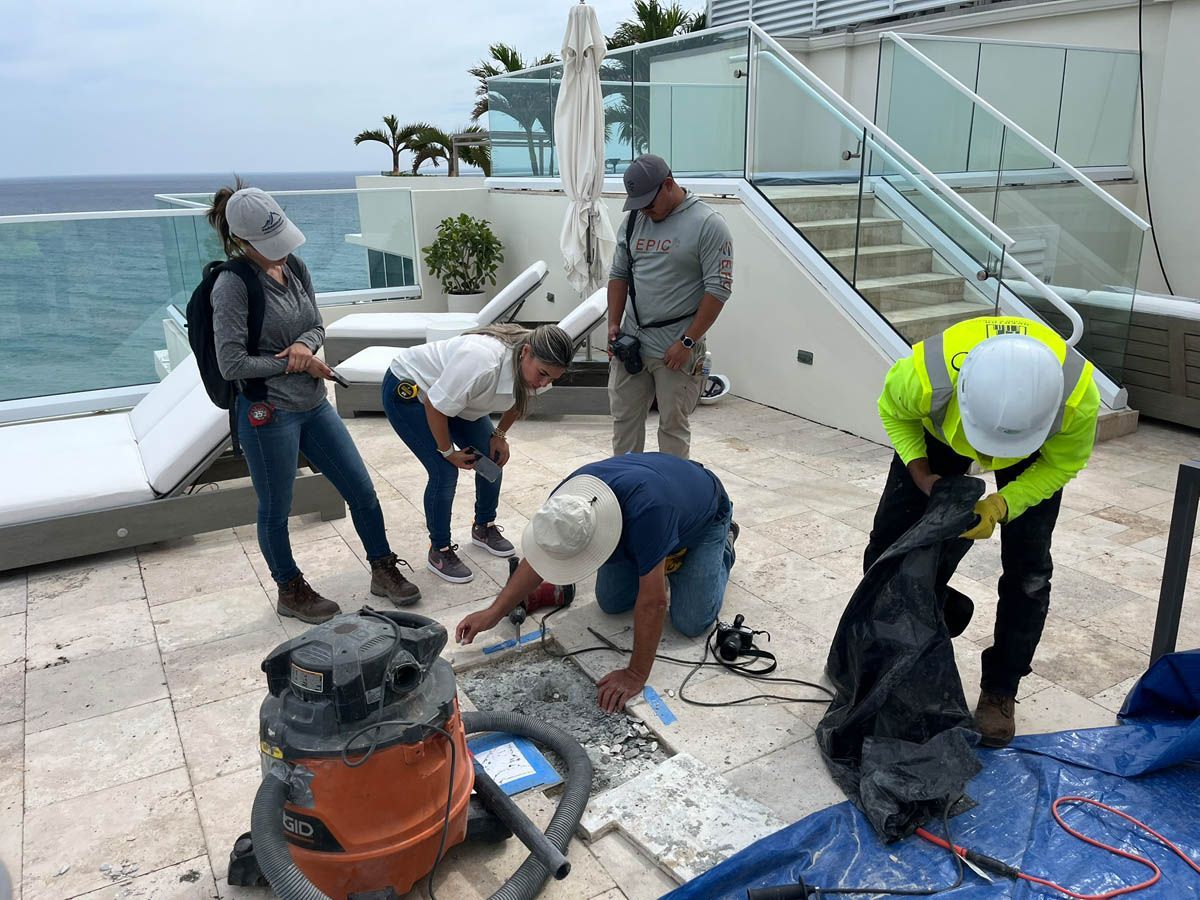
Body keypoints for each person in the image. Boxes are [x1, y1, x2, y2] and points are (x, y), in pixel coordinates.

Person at [865, 315, 1100, 747]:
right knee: (890, 549)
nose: (991, 457)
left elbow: (1062, 463)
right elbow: (892, 412)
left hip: (1037, 449)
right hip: (940, 437)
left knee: (1029, 573)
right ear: (962, 393)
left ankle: (1000, 690)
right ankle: (891, 656)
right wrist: (921, 474)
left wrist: (1002, 503)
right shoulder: (924, 377)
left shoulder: (1077, 398)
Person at [210, 183, 420, 624]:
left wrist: (305, 346)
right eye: (270, 246)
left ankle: (382, 568)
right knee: (276, 506)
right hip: (268, 413)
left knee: (361, 489)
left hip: (314, 404)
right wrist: (292, 364)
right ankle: (290, 588)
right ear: (242, 242)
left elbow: (316, 325)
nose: (281, 252)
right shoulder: (232, 286)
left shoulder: (295, 267)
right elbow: (231, 364)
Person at [455, 452, 739, 712]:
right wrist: (494, 612)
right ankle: (661, 555)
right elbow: (542, 556)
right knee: (612, 603)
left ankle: (723, 544)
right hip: (658, 505)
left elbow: (654, 602)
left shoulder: (648, 511)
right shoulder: (566, 503)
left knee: (691, 620)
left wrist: (635, 674)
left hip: (705, 513)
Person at [382, 324, 575, 584]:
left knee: (491, 459)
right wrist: (448, 451)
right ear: (525, 352)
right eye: (543, 374)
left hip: (454, 400)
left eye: (551, 378)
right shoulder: (482, 362)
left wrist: (500, 435)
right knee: (443, 470)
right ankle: (439, 551)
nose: (543, 383)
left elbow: (521, 398)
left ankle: (483, 527)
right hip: (411, 390)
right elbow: (434, 404)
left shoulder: (537, 368)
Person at [607, 154, 734, 459]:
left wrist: (688, 341)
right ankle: (625, 490)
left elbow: (718, 289)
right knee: (624, 423)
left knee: (673, 426)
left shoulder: (708, 224)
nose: (645, 211)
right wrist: (614, 324)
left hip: (676, 349)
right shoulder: (635, 219)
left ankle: (673, 495)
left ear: (668, 185)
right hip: (632, 344)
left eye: (649, 203)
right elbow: (619, 274)